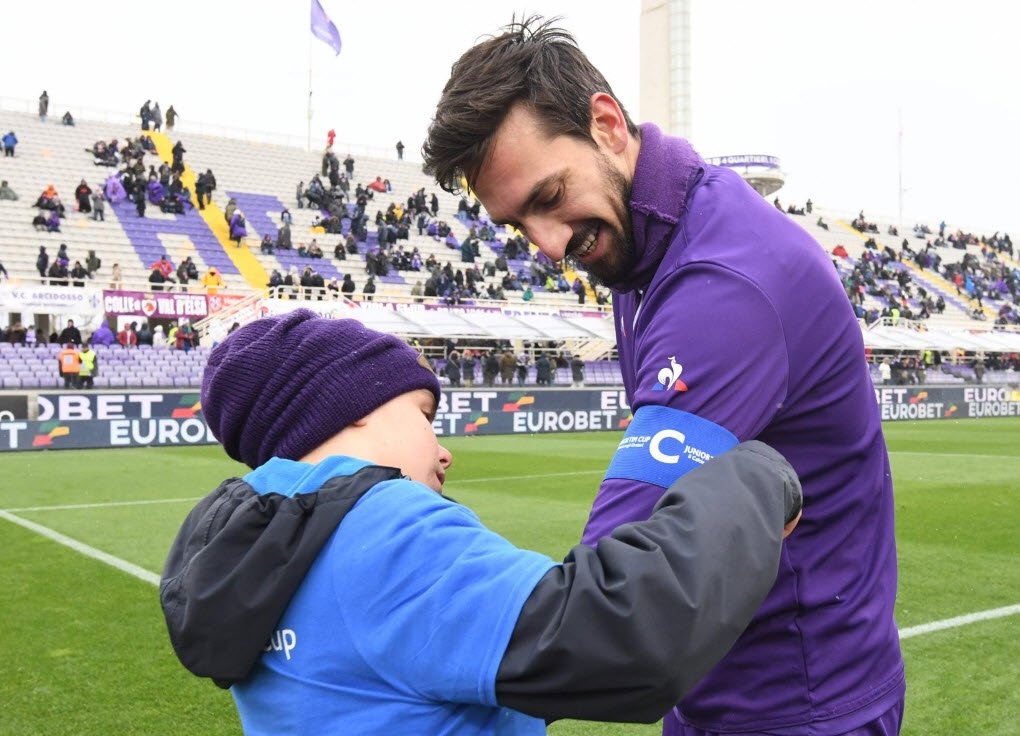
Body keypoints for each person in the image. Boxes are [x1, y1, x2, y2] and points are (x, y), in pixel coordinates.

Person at [422, 16, 903, 736]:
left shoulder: (724, 283)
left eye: (549, 196)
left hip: (798, 706)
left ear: (608, 124)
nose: (548, 245)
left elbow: (607, 609)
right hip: (720, 688)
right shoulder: (643, 239)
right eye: (520, 223)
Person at [160, 309, 801, 735]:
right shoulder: (378, 526)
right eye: (422, 414)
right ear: (350, 412)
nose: (444, 450)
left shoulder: (259, 546)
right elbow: (619, 637)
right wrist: (755, 478)